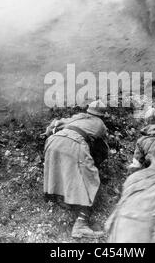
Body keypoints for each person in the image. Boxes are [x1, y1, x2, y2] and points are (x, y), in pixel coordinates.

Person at [43, 100, 109, 239]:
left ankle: (62, 198)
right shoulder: (100, 124)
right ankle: (81, 225)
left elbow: (55, 124)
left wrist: (48, 132)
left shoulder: (78, 116)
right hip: (74, 144)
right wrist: (96, 164)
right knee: (90, 180)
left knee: (63, 170)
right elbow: (102, 148)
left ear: (88, 110)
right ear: (102, 115)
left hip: (53, 141)